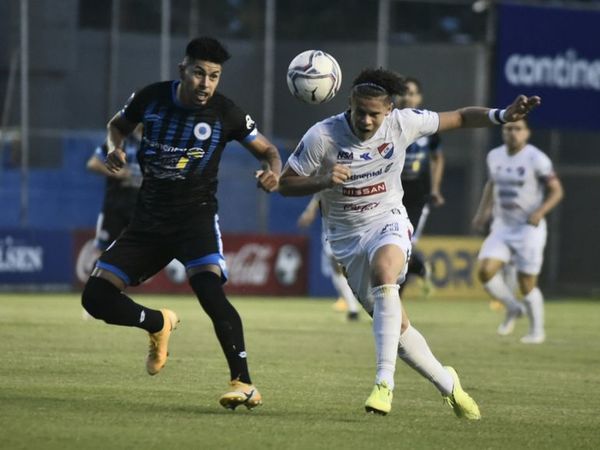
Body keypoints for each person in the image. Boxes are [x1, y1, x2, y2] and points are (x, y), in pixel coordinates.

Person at [279, 67, 540, 416]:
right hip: (346, 238)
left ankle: (384, 383)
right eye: (361, 113)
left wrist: (502, 115)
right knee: (398, 329)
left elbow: (461, 117)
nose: (368, 122)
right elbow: (285, 183)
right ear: (349, 104)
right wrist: (322, 179)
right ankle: (449, 385)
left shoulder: (404, 123)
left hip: (388, 220)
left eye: (375, 114)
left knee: (385, 273)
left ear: (388, 110)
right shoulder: (322, 136)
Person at [81, 36, 281, 410]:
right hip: (148, 222)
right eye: (199, 73)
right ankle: (157, 322)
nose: (205, 84)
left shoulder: (227, 113)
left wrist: (273, 172)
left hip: (196, 218)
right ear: (183, 70)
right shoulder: (151, 98)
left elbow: (268, 150)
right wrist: (114, 147)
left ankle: (244, 383)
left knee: (208, 291)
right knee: (95, 297)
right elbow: (117, 125)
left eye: (214, 76)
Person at [472, 119, 563, 344]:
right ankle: (513, 308)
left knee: (526, 282)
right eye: (508, 128)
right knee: (484, 271)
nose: (512, 133)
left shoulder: (537, 158)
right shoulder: (494, 155)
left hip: (528, 229)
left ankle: (536, 331)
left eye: (518, 129)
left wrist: (540, 212)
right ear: (503, 131)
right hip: (502, 226)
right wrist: (483, 212)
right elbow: (491, 184)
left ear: (527, 132)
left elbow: (557, 191)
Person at [395, 77, 445, 297]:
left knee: (403, 248)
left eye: (412, 93)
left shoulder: (427, 124)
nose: (407, 96)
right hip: (390, 194)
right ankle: (421, 267)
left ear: (419, 97)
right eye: (403, 92)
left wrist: (435, 189)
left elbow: (437, 158)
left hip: (417, 197)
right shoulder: (387, 120)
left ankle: (395, 303)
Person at [297, 195, 361, 320]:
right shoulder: (327, 179)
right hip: (333, 223)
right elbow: (321, 190)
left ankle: (372, 305)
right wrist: (310, 210)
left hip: (358, 219)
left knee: (362, 263)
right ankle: (353, 307)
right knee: (336, 266)